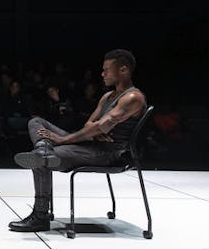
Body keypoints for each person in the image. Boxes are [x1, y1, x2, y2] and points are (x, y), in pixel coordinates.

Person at [9, 49, 147, 232]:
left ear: (123, 70)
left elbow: (97, 127)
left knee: (41, 162)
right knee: (36, 122)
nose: (102, 74)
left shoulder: (133, 98)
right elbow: (91, 124)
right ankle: (43, 150)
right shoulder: (107, 96)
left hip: (107, 154)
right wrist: (94, 130)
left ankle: (40, 216)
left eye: (107, 70)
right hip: (90, 145)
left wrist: (66, 139)